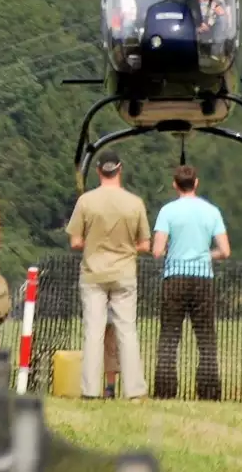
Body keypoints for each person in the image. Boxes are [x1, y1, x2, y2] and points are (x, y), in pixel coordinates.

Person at [66, 150, 150, 401]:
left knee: (93, 332)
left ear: (98, 170)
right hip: (124, 273)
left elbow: (75, 242)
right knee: (127, 331)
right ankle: (134, 390)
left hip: (93, 273)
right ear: (120, 169)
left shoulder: (86, 202)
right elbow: (145, 244)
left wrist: (94, 243)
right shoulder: (135, 203)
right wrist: (124, 248)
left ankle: (90, 390)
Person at [152, 165, 231, 400]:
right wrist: (205, 255)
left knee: (169, 336)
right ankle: (209, 391)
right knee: (206, 338)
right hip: (202, 277)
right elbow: (225, 250)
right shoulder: (212, 211)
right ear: (196, 183)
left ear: (174, 185)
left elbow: (157, 250)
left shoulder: (167, 211)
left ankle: (165, 390)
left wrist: (173, 253)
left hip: (175, 276)